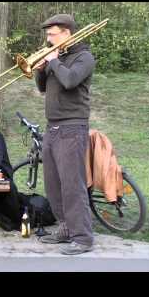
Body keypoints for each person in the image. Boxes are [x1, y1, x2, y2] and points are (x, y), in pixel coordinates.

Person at [33, 14, 96, 255]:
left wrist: (53, 61)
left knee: (72, 185)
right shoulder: (57, 57)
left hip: (72, 127)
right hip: (53, 127)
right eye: (47, 35)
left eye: (52, 34)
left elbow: (69, 80)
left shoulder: (84, 57)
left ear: (67, 33)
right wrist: (41, 69)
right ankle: (65, 228)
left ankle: (83, 237)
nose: (48, 39)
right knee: (53, 184)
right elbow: (42, 88)